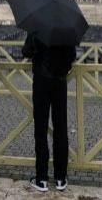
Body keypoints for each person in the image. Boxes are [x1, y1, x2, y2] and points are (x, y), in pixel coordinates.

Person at [22, 32, 76, 192]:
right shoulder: (65, 28)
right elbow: (72, 55)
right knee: (60, 128)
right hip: (59, 82)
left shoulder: (37, 26)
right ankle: (60, 178)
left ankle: (42, 178)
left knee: (41, 129)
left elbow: (26, 51)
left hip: (41, 81)